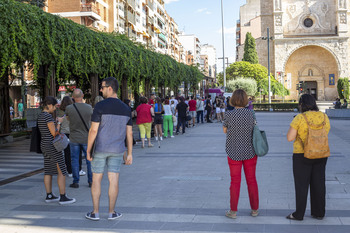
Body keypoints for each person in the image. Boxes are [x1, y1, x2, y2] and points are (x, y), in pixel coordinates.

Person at [86, 77, 133, 221]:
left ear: (110, 88)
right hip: (117, 150)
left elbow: (93, 131)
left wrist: (88, 150)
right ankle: (112, 212)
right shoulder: (126, 108)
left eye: (102, 87)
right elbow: (129, 133)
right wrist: (129, 153)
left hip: (100, 149)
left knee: (96, 180)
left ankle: (95, 212)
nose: (101, 89)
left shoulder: (100, 106)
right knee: (114, 180)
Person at [286, 94, 330, 221]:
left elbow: (290, 138)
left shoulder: (300, 118)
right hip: (321, 154)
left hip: (302, 155)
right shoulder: (324, 116)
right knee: (319, 183)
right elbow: (325, 132)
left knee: (301, 185)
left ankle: (299, 214)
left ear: (301, 104)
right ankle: (319, 212)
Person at [223, 89, 259, 219]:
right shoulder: (251, 114)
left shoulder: (228, 114)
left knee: (235, 181)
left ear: (232, 100)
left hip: (233, 151)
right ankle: (254, 209)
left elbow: (225, 130)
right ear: (245, 100)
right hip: (250, 151)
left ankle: (233, 211)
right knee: (252, 180)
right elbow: (255, 129)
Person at [37, 96, 76, 205]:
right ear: (49, 105)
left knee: (48, 170)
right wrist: (59, 122)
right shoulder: (48, 117)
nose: (55, 109)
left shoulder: (41, 116)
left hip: (44, 144)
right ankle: (63, 196)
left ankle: (49, 195)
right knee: (62, 170)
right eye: (54, 106)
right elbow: (54, 133)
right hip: (52, 145)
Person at [65, 89, 93, 188]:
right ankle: (91, 181)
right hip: (86, 138)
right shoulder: (89, 108)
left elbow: (68, 120)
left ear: (73, 97)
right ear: (83, 96)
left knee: (75, 160)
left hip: (74, 138)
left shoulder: (69, 108)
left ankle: (76, 181)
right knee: (89, 160)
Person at [58, 96, 73, 177]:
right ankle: (74, 169)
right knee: (73, 152)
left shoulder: (60, 111)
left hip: (63, 134)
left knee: (66, 153)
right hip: (72, 133)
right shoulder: (72, 111)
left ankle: (69, 171)